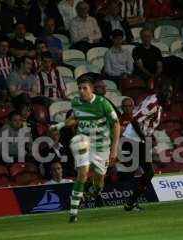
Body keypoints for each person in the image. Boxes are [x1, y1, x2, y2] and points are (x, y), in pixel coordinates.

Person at [51, 75, 120, 223]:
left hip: (102, 147)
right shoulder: (76, 102)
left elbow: (116, 124)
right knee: (82, 174)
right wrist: (60, 125)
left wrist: (114, 149)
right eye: (79, 89)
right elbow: (76, 117)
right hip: (84, 142)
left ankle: (92, 192)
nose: (81, 91)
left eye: (84, 88)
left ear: (92, 89)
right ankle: (73, 213)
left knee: (99, 183)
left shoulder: (103, 103)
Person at [122, 80, 173, 211]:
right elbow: (134, 120)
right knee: (145, 172)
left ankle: (130, 202)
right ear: (159, 91)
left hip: (139, 139)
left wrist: (149, 138)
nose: (169, 95)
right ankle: (129, 202)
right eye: (167, 92)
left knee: (140, 171)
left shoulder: (158, 104)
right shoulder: (152, 103)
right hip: (133, 138)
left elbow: (148, 124)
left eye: (171, 93)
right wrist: (144, 139)